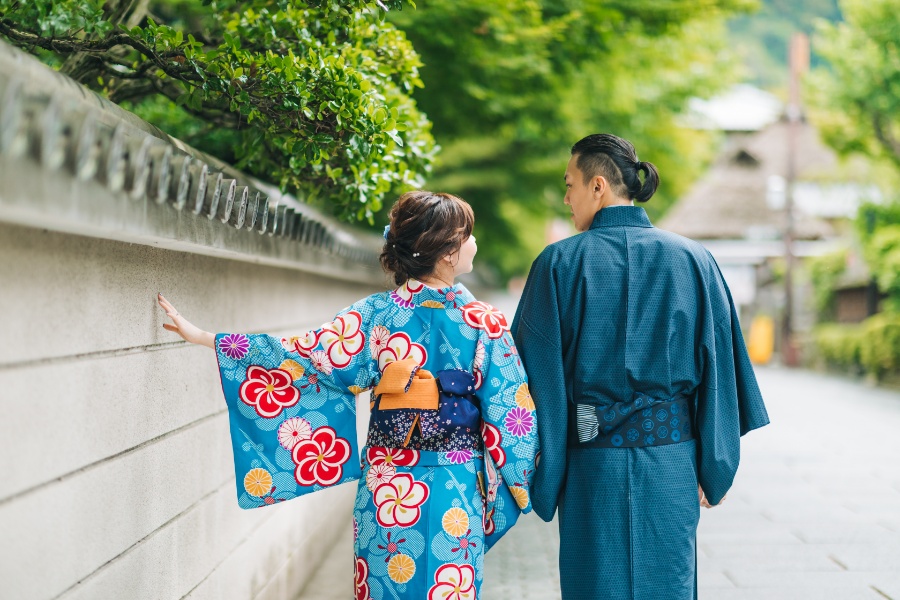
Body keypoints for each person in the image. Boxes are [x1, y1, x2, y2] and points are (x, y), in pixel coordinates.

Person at [158, 191, 538, 600]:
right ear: (447, 252)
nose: (475, 243)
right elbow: (512, 414)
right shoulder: (484, 322)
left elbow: (300, 355)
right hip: (456, 485)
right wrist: (522, 486)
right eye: (469, 235)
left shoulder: (377, 314)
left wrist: (209, 339)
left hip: (388, 487)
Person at [511, 134, 770, 600]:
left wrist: (544, 474)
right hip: (671, 463)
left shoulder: (557, 264)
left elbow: (534, 381)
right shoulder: (694, 260)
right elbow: (721, 370)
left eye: (569, 185)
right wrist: (714, 463)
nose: (566, 198)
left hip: (592, 466)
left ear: (598, 187)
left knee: (596, 584)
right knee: (666, 583)